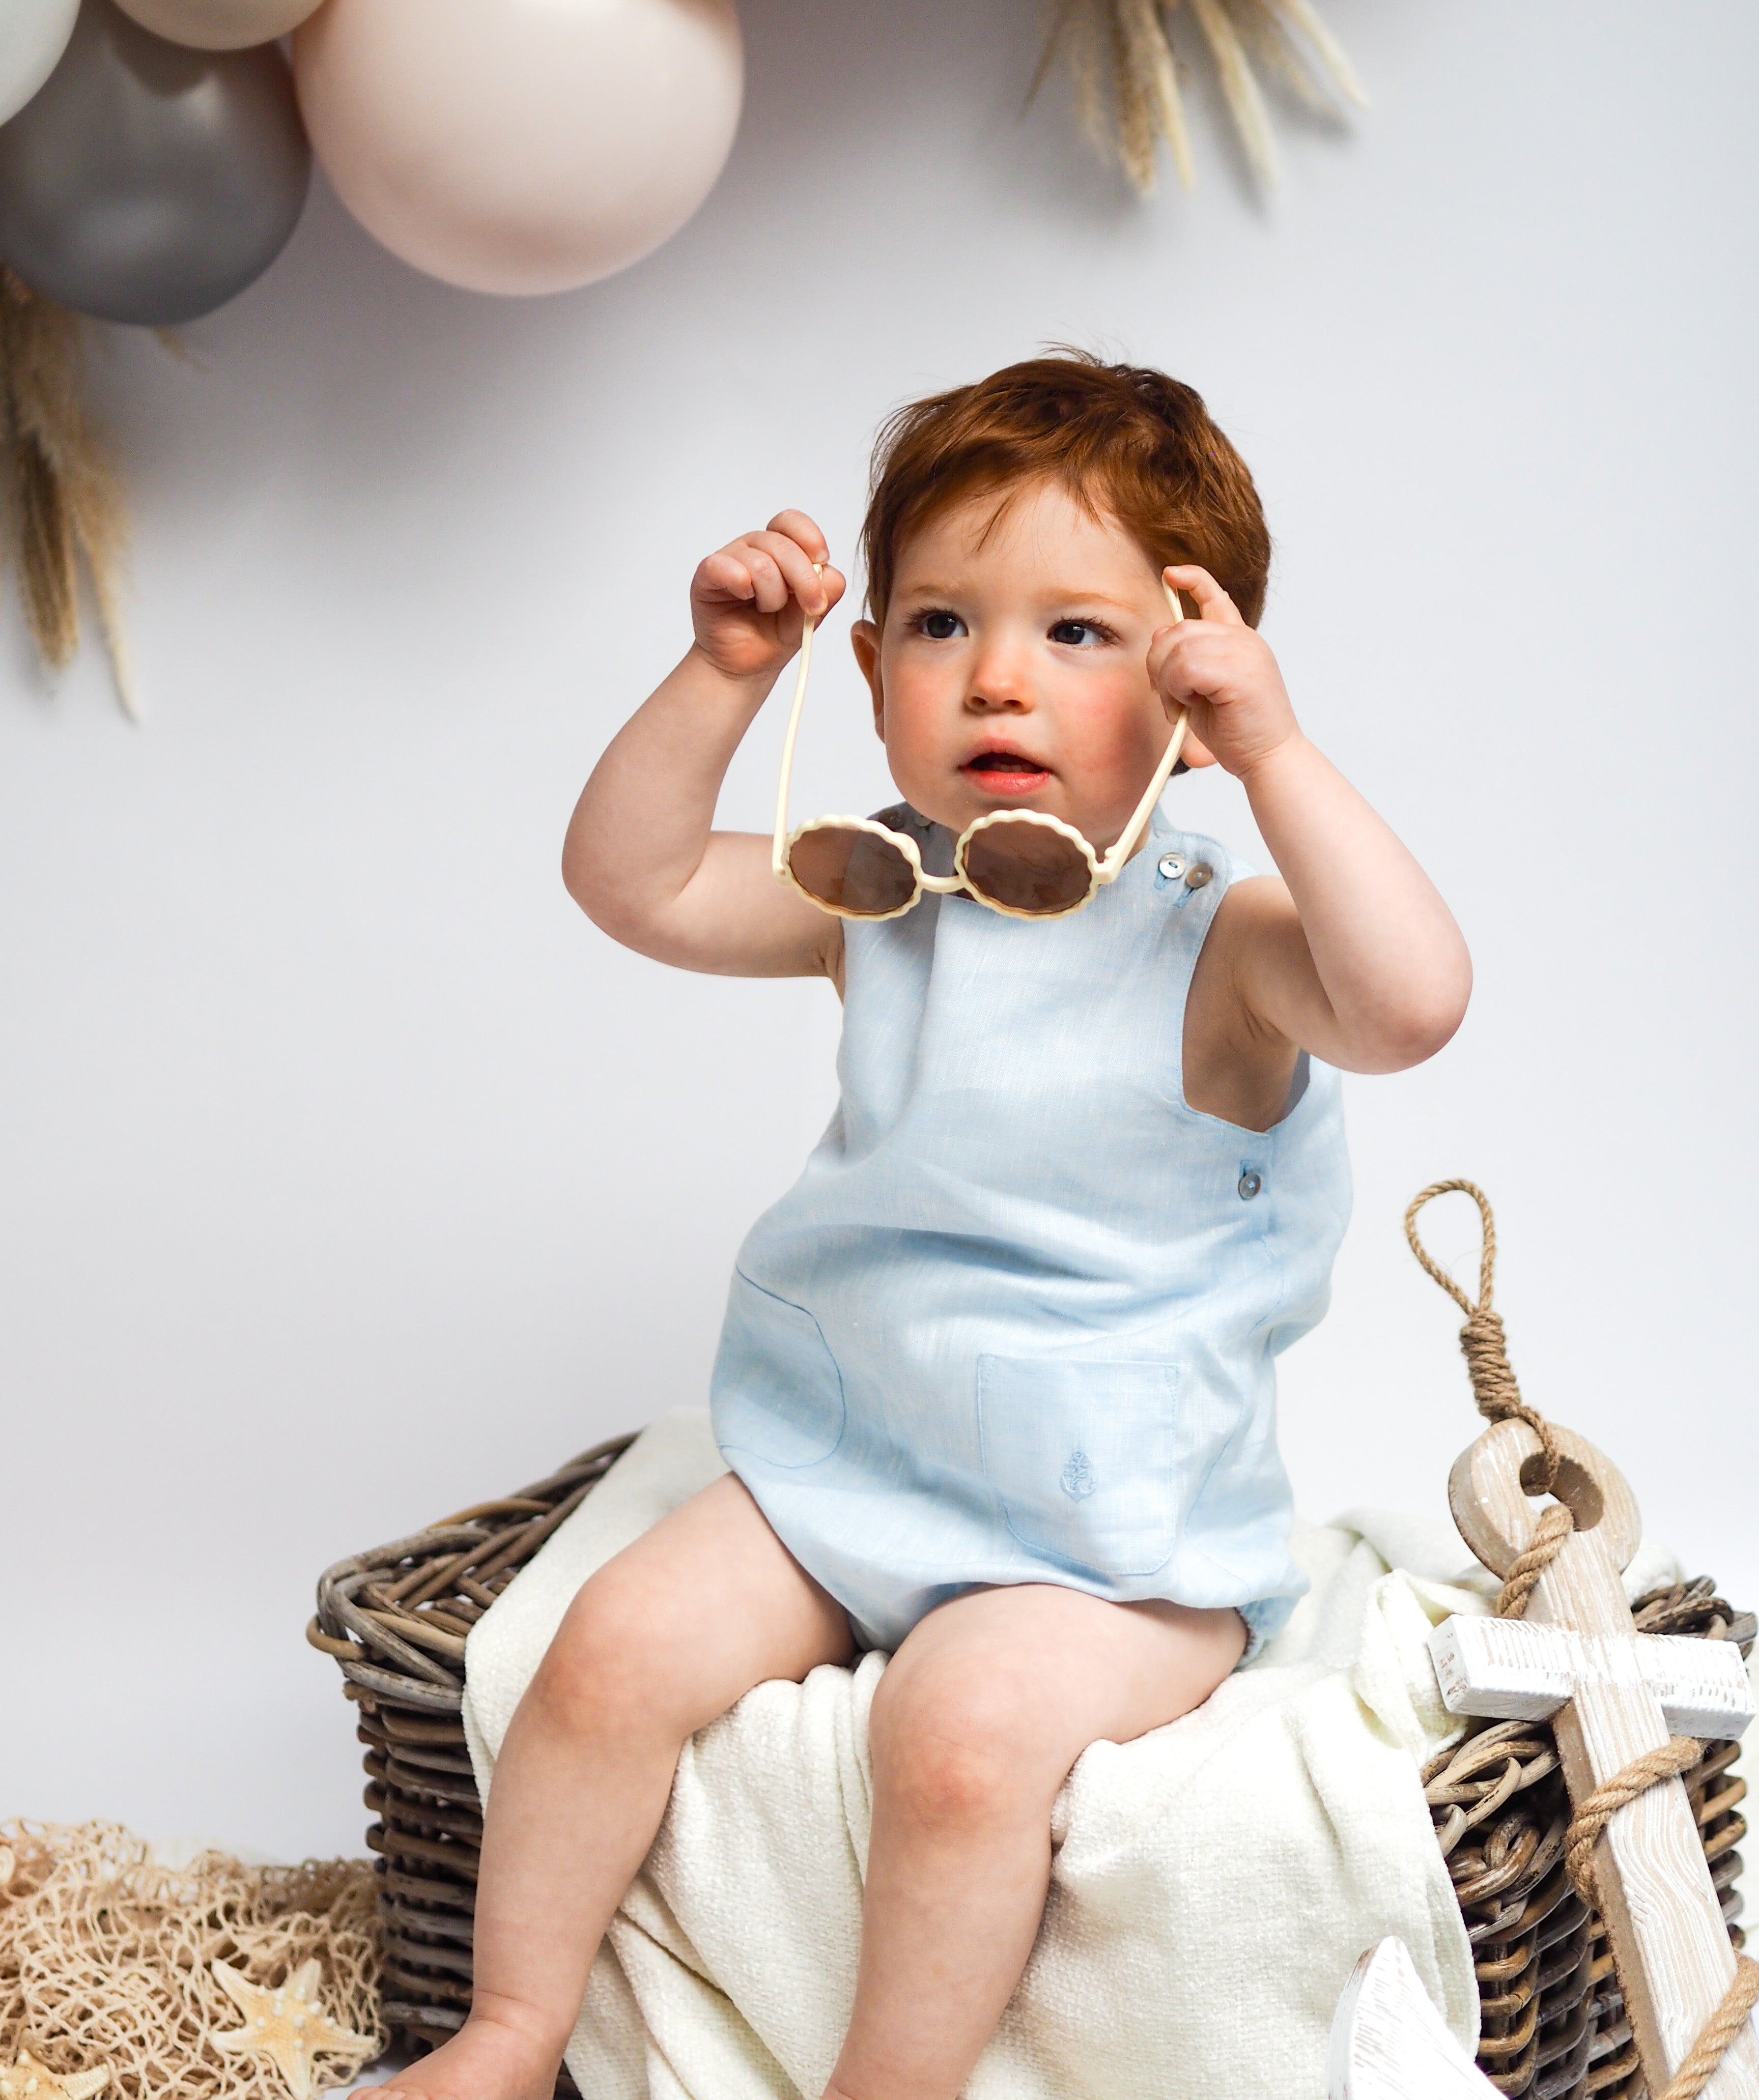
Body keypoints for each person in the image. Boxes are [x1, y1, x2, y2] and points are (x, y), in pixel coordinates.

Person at [387, 354, 1471, 2100]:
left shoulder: (1228, 942)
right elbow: (632, 883)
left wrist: (1276, 752)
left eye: (1077, 633)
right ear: (875, 663)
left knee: (956, 1739)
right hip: (850, 1463)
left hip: (1106, 1544)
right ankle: (508, 2032)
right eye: (943, 623)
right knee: (604, 1652)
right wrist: (724, 673)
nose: (997, 677)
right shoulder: (884, 889)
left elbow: (1412, 1006)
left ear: (1192, 687)